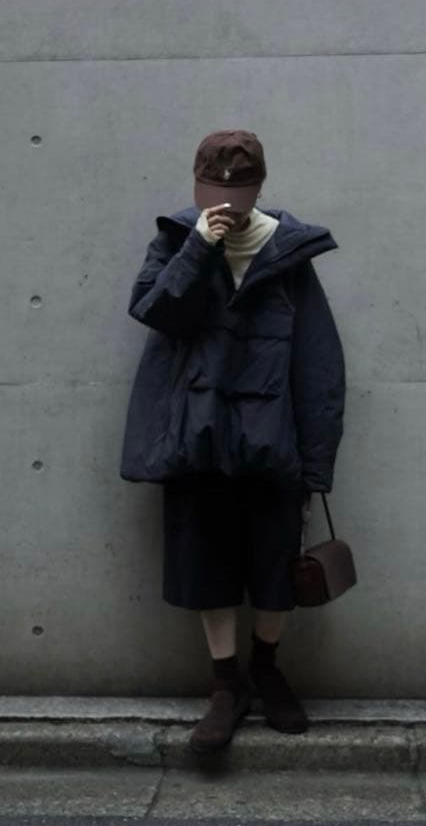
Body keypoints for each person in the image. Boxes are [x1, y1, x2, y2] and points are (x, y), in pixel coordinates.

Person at [120, 129, 346, 754]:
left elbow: (319, 364)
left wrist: (316, 462)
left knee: (276, 565)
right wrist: (198, 248)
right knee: (205, 563)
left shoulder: (290, 254)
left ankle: (267, 668)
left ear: (259, 187)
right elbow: (155, 312)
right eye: (213, 192)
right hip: (197, 436)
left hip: (273, 439)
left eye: (238, 192)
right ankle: (226, 684)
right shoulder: (176, 239)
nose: (225, 203)